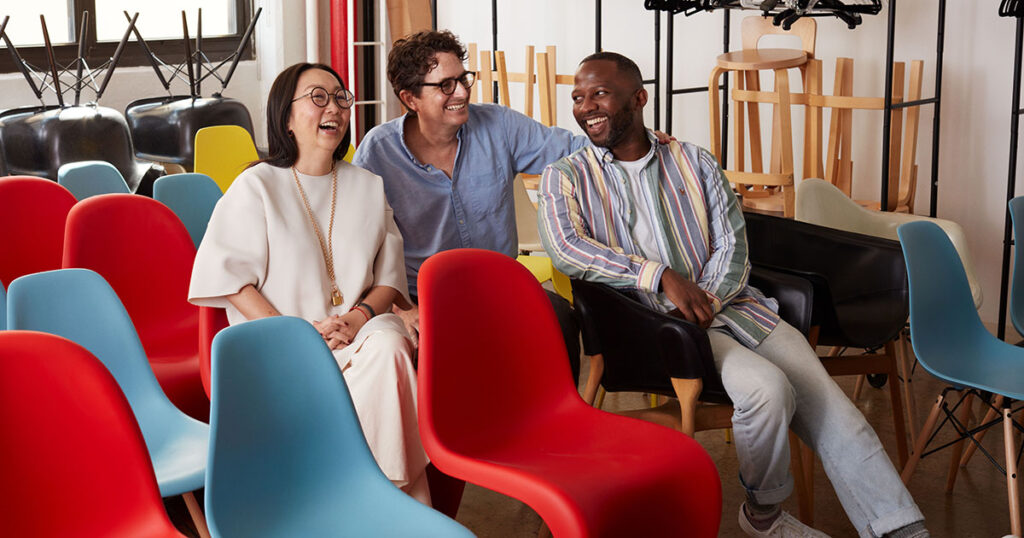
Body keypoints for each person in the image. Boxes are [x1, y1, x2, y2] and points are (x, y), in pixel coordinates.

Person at [537, 51, 929, 538]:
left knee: (835, 409)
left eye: (599, 94)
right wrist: (659, 276)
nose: (585, 106)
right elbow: (567, 249)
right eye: (578, 97)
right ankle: (764, 516)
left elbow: (733, 244)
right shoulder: (566, 176)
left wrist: (709, 302)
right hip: (656, 326)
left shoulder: (695, 161)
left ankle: (903, 531)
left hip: (734, 310)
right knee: (767, 389)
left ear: (638, 98)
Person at [188, 63, 430, 504]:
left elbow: (389, 281)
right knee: (382, 393)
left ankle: (365, 496)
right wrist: (296, 334)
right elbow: (229, 280)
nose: (334, 107)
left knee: (390, 346)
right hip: (282, 339)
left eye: (340, 97)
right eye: (318, 97)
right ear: (286, 117)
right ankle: (398, 504)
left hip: (357, 336)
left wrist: (357, 319)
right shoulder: (256, 186)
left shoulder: (368, 186)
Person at [352, 30, 592, 383]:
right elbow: (358, 245)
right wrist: (398, 309)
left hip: (499, 285)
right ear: (410, 98)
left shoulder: (499, 125)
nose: (462, 93)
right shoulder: (378, 152)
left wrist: (639, 142)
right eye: (445, 85)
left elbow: (575, 151)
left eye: (463, 79)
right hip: (423, 300)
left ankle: (556, 426)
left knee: (558, 318)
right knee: (422, 357)